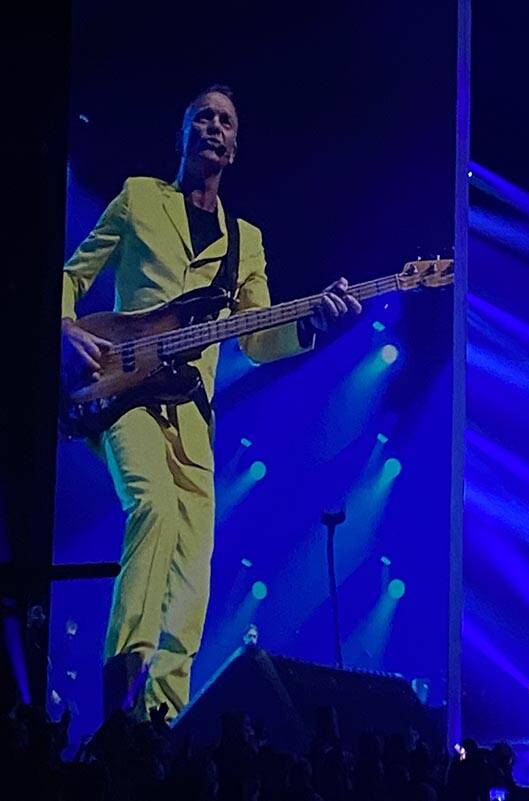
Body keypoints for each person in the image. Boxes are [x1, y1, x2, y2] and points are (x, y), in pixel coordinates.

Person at [60, 84, 361, 721]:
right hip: (124, 391)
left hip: (192, 416)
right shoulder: (139, 198)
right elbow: (71, 275)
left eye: (225, 121)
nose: (214, 127)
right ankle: (124, 689)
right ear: (183, 134)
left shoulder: (245, 240)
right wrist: (64, 327)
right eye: (203, 117)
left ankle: (161, 717)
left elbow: (256, 337)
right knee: (152, 506)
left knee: (193, 566)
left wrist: (311, 323)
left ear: (234, 148)